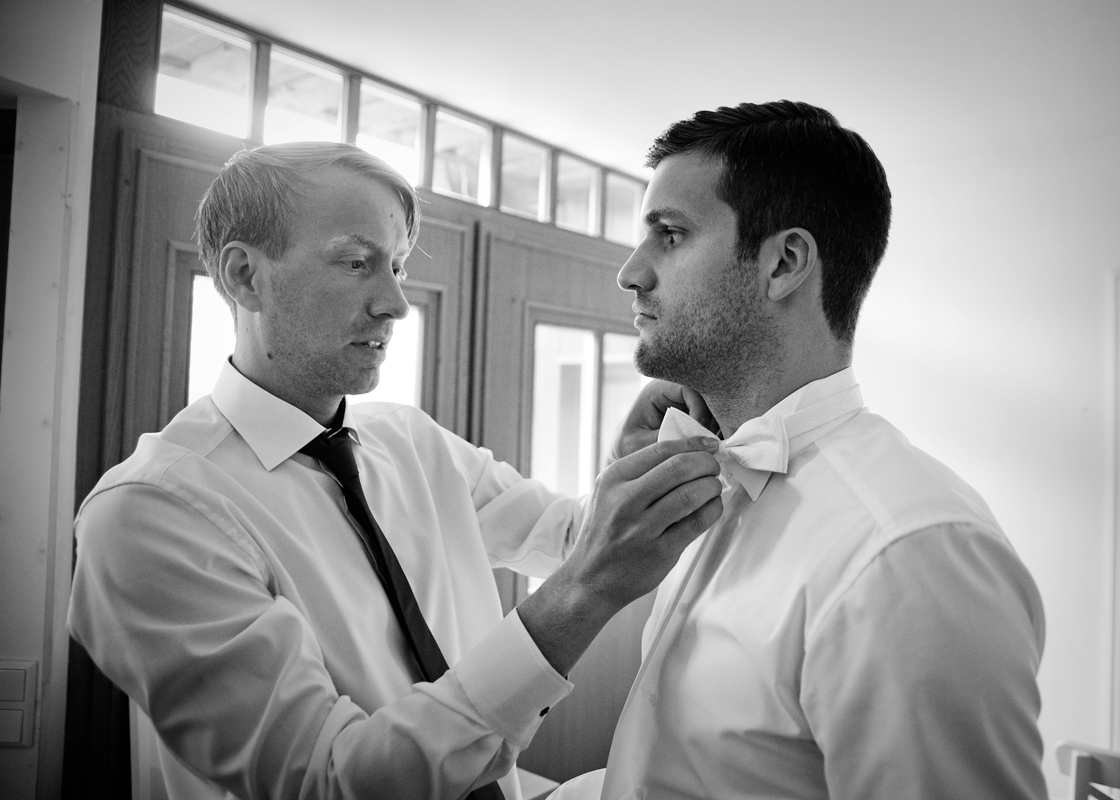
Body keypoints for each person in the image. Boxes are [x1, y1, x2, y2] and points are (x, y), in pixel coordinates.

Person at [67, 142, 726, 800]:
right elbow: (332, 781)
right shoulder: (150, 512)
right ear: (245, 276)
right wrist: (581, 595)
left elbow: (576, 537)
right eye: (357, 262)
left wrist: (631, 467)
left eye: (399, 267)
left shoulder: (413, 442)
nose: (396, 303)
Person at [554, 101, 1047, 799]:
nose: (630, 272)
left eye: (670, 235)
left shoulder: (905, 557)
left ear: (784, 263)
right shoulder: (710, 482)